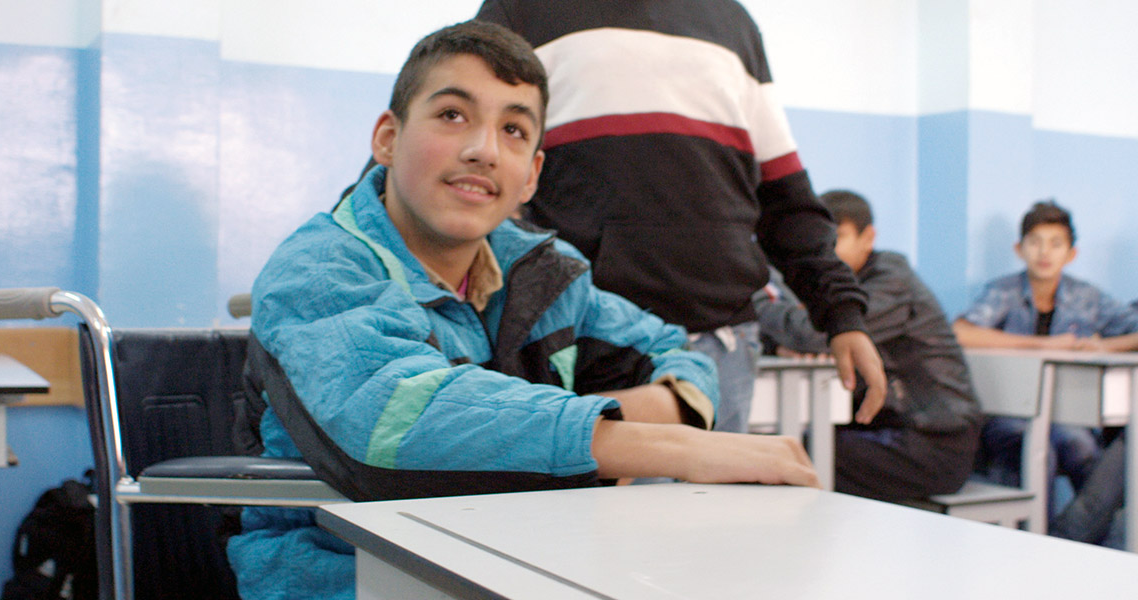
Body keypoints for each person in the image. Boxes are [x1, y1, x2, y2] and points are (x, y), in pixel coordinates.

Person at [226, 21, 826, 600]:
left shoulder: (544, 270)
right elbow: (394, 418)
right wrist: (676, 446)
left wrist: (653, 410)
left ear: (533, 175)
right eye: (452, 114)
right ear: (387, 137)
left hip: (518, 555)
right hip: (348, 571)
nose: (483, 150)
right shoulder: (321, 268)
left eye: (514, 130)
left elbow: (674, 350)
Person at [475, 0, 887, 434]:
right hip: (593, 343)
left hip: (723, 343)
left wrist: (841, 314)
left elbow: (784, 194)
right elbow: (483, 164)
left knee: (716, 503)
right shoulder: (522, 9)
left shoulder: (734, 23)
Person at [752, 190, 982, 501]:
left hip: (935, 443)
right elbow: (798, 335)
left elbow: (816, 335)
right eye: (821, 242)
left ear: (868, 237)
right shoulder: (841, 289)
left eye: (838, 239)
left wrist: (758, 302)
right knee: (776, 447)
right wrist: (780, 346)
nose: (826, 252)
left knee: (788, 457)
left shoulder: (891, 282)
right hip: (880, 430)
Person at [953, 200, 1138, 525]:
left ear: (1071, 253)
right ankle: (1034, 539)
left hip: (1068, 417)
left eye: (1056, 244)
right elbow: (962, 331)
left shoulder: (1087, 297)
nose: (1044, 252)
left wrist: (1104, 345)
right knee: (1038, 452)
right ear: (1019, 248)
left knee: (1083, 449)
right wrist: (1042, 345)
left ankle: (1078, 541)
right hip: (1010, 415)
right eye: (1035, 242)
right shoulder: (1004, 291)